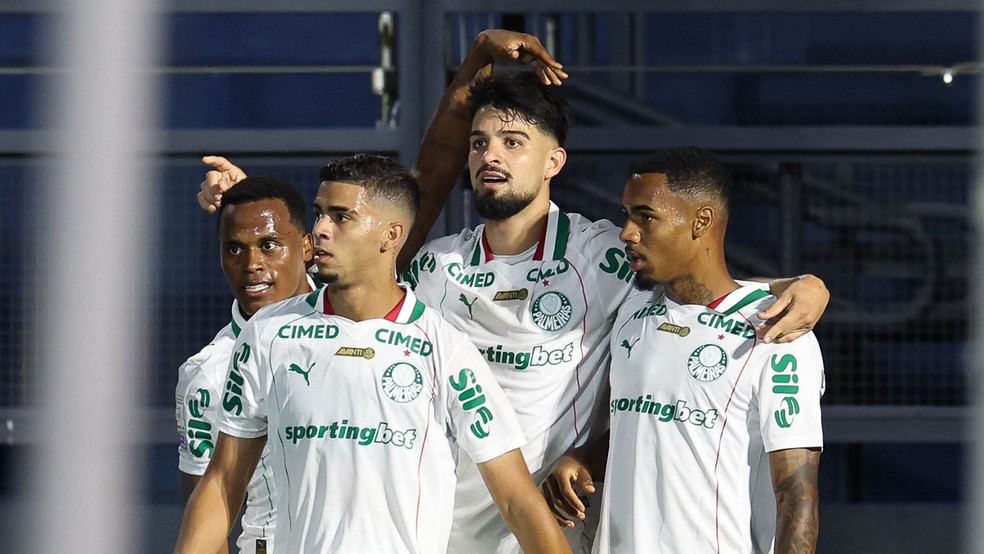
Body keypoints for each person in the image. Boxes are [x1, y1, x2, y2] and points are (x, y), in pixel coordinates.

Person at [195, 30, 829, 553]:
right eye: (480, 143)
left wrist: (800, 285)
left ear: (554, 162)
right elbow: (379, 225)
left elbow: (694, 279)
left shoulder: (601, 255)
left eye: (512, 142)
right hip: (440, 533)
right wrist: (255, 207)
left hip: (549, 531)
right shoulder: (437, 269)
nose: (489, 156)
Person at [174, 154, 571, 554]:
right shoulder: (267, 335)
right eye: (319, 214)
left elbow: (517, 501)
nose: (321, 231)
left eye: (341, 217)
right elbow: (223, 483)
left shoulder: (444, 349)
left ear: (390, 235)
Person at [543, 147, 824, 553]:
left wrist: (807, 284)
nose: (627, 232)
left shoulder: (779, 335)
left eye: (646, 216)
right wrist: (585, 457)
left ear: (701, 221)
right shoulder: (633, 309)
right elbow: (652, 429)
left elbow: (798, 498)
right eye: (627, 215)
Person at [175, 176, 316, 553]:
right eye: (234, 249)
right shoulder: (207, 374)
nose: (251, 264)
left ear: (307, 247)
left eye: (268, 245)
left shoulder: (358, 314)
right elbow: (207, 519)